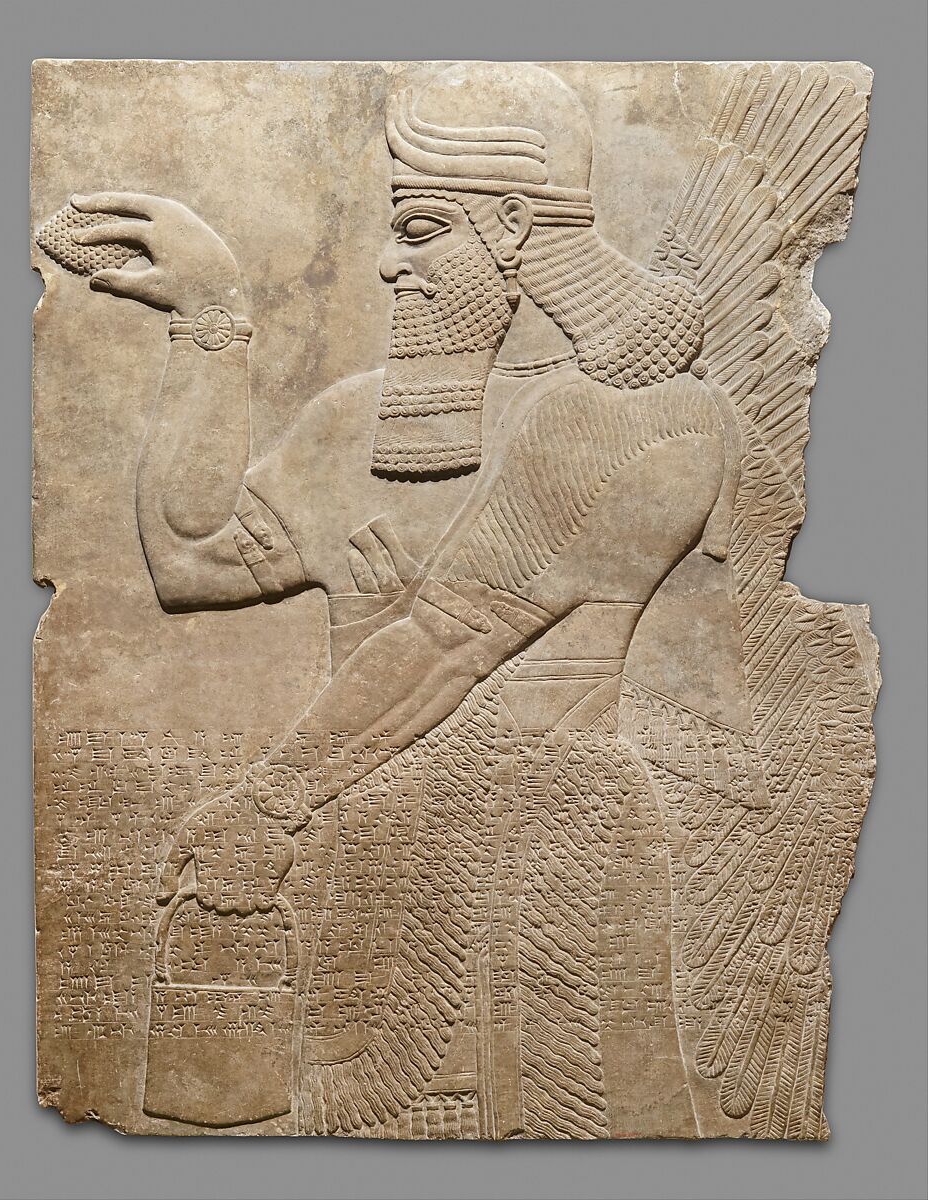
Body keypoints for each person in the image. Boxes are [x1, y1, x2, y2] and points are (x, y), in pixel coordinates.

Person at [75, 63, 737, 1137]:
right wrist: (211, 320)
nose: (389, 264)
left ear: (514, 223)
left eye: (421, 229)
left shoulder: (650, 421)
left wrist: (264, 803)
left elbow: (449, 641)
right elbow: (191, 563)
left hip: (548, 857)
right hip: (374, 862)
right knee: (353, 1115)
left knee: (575, 1128)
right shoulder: (357, 420)